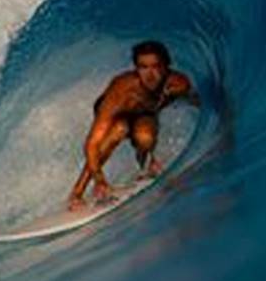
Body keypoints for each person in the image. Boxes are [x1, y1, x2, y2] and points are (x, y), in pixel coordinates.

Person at [68, 40, 199, 210]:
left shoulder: (177, 84)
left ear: (166, 67)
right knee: (118, 131)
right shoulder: (122, 92)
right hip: (117, 113)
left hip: (143, 113)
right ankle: (77, 193)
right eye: (143, 67)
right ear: (136, 69)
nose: (149, 74)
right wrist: (99, 179)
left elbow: (189, 97)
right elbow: (92, 144)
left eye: (155, 67)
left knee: (145, 139)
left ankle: (145, 166)